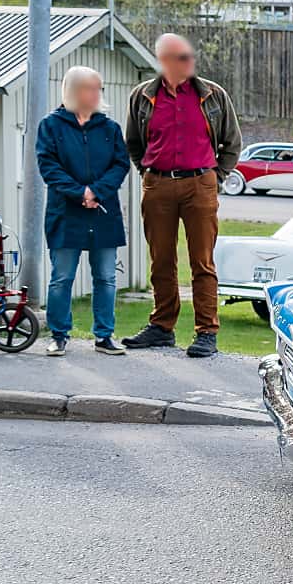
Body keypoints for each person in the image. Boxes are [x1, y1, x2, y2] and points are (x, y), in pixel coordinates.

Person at [121, 33, 241, 359]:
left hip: (200, 184)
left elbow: (232, 143)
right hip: (157, 185)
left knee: (202, 261)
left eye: (188, 55)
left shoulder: (213, 96)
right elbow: (134, 142)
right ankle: (162, 327)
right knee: (161, 259)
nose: (187, 62)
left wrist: (215, 179)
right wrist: (149, 172)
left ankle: (206, 332)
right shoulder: (142, 96)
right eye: (178, 57)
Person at [35, 66, 132, 357]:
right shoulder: (51, 126)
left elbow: (120, 164)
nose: (96, 94)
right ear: (74, 91)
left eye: (98, 88)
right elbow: (48, 166)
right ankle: (59, 335)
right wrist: (80, 193)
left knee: (106, 277)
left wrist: (96, 192)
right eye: (90, 88)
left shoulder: (109, 128)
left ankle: (104, 336)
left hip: (103, 212)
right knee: (62, 277)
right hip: (66, 213)